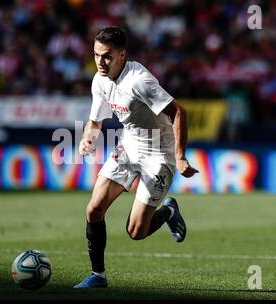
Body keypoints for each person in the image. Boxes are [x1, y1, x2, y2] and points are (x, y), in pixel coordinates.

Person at [74, 26, 199, 289]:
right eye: (96, 55)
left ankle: (168, 211)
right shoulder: (100, 80)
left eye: (107, 56)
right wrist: (88, 138)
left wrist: (180, 157)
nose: (100, 62)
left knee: (136, 232)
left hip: (158, 154)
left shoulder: (139, 81)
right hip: (129, 146)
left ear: (122, 54)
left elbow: (179, 113)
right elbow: (95, 121)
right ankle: (98, 276)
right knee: (93, 209)